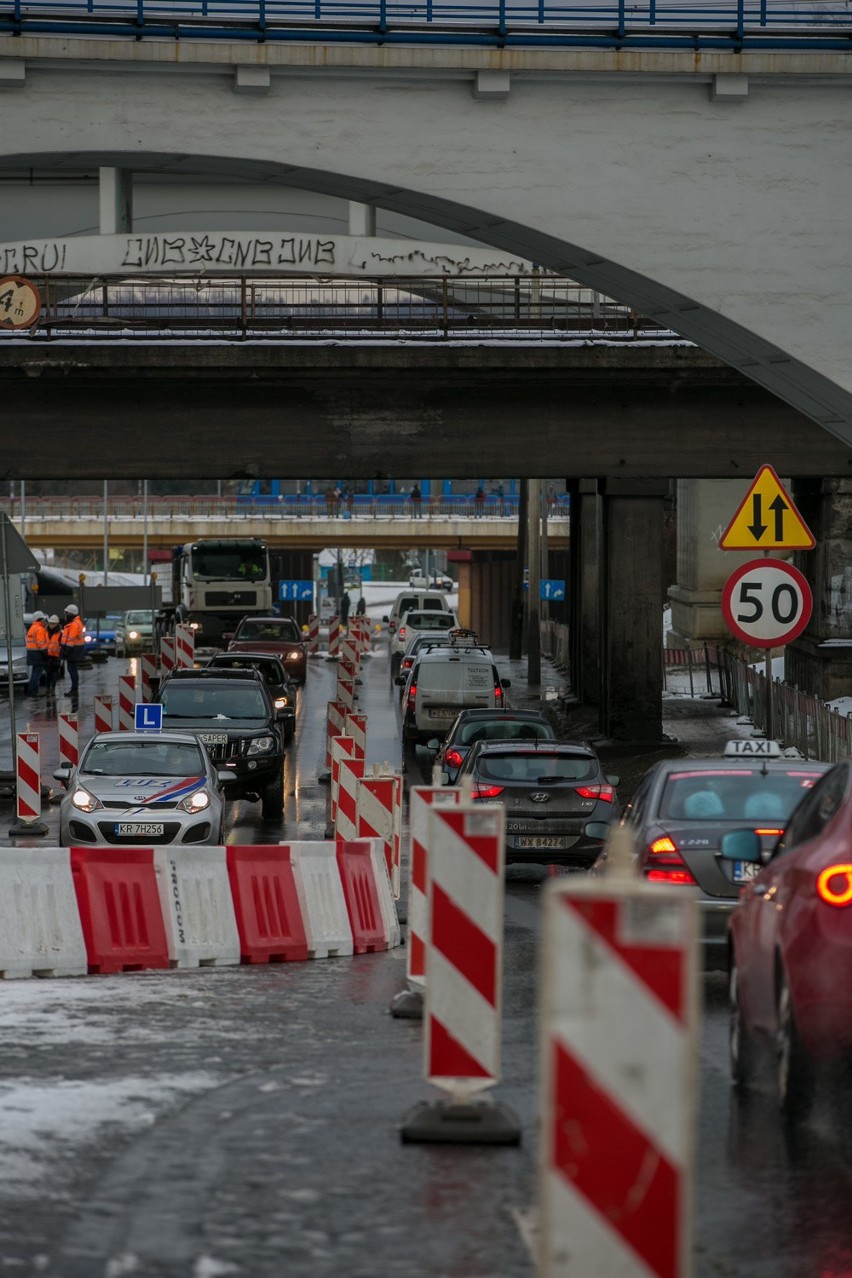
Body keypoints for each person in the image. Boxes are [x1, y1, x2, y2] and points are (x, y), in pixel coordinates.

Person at [61, 603, 85, 707]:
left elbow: (71, 639)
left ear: (71, 614)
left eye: (67, 613)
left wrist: (66, 650)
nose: (65, 615)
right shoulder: (74, 623)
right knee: (72, 670)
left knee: (72, 670)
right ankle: (74, 689)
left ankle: (74, 690)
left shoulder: (74, 624)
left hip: (73, 650)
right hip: (74, 649)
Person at [25, 611, 48, 698]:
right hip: (38, 654)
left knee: (34, 673)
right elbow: (41, 644)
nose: (44, 621)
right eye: (43, 619)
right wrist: (46, 654)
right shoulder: (39, 629)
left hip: (32, 654)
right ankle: (34, 692)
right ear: (39, 619)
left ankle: (31, 691)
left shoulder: (32, 628)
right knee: (37, 674)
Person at [44, 615, 63, 699]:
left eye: (53, 624)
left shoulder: (60, 633)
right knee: (48, 674)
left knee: (54, 674)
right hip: (47, 656)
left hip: (56, 656)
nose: (52, 625)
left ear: (57, 624)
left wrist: (61, 656)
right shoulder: (45, 631)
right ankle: (47, 689)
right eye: (51, 623)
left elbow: (62, 645)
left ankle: (52, 690)